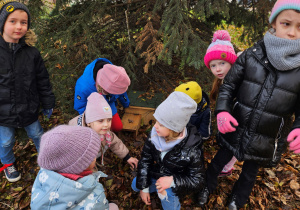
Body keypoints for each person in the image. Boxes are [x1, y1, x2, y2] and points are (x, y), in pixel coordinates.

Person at [197, 1, 300, 209]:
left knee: (250, 173)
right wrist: (223, 110)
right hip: (237, 124)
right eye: (286, 23)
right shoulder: (252, 55)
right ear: (274, 23)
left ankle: (238, 199)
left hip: (268, 135)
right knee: (219, 160)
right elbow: (229, 86)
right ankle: (206, 185)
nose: (292, 32)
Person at [0, 1, 55, 182]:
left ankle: (46, 160)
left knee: (38, 134)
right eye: (12, 21)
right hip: (2, 112)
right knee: (6, 141)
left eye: (23, 22)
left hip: (28, 107)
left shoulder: (32, 53)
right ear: (2, 24)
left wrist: (47, 102)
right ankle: (8, 163)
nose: (18, 26)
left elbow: (42, 80)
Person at [131, 91, 205, 210]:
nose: (155, 126)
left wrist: (172, 181)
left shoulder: (191, 150)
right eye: (156, 121)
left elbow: (198, 180)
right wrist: (143, 188)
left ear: (173, 129)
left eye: (160, 124)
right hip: (157, 173)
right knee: (136, 184)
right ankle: (151, 187)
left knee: (166, 197)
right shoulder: (154, 136)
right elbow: (145, 160)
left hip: (175, 181)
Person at [30, 125, 118, 210]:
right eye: (91, 157)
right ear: (78, 166)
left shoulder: (44, 175)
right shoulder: (95, 195)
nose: (95, 158)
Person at [69, 92, 138, 168]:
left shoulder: (105, 133)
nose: (106, 125)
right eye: (100, 121)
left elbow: (115, 142)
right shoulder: (78, 138)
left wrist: (127, 157)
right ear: (89, 122)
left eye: (109, 120)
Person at [204, 30, 239, 178]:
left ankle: (227, 167)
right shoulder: (222, 80)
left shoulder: (239, 81)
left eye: (222, 63)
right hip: (228, 122)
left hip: (239, 122)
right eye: (213, 65)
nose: (217, 69)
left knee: (233, 148)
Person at [74, 58, 131, 132]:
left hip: (108, 105)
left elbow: (121, 93)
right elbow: (81, 106)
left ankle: (109, 135)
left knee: (117, 127)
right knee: (96, 131)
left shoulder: (116, 76)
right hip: (92, 111)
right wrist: (89, 121)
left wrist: (126, 104)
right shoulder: (83, 86)